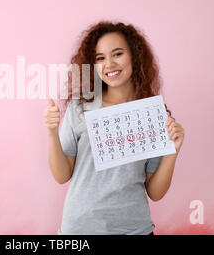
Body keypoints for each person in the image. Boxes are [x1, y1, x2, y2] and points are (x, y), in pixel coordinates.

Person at [44, 21, 185, 235]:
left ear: (134, 57)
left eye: (117, 54)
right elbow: (62, 175)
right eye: (100, 58)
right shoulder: (80, 108)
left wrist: (173, 151)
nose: (109, 64)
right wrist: (52, 133)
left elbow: (155, 192)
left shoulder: (153, 115)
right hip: (81, 230)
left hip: (135, 230)